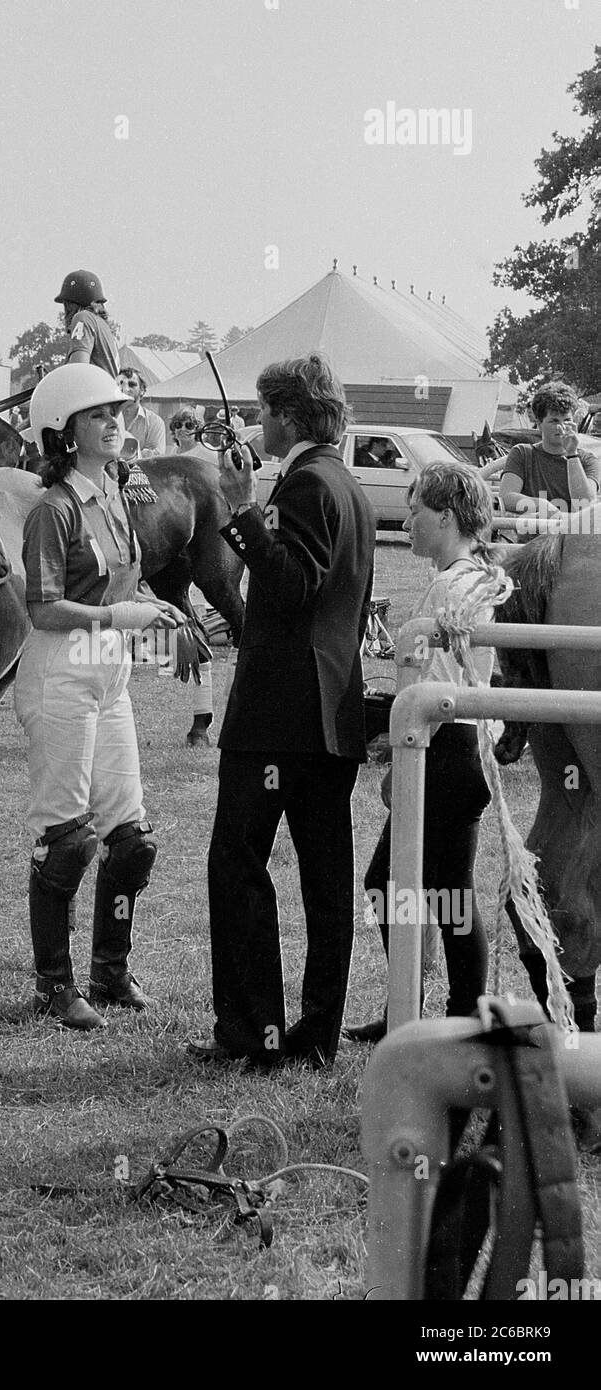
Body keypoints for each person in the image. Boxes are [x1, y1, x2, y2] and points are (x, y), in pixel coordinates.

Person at [188, 354, 376, 1071]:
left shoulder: (303, 486)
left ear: (290, 415)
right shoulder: (345, 484)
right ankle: (313, 1037)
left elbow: (293, 586)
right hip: (329, 713)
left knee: (237, 865)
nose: (256, 422)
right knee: (325, 883)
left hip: (278, 716)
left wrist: (239, 509)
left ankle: (253, 1032)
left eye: (264, 411)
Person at [14, 364, 185, 1030]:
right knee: (66, 839)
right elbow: (44, 607)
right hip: (60, 670)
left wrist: (150, 605)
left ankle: (109, 974)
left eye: (117, 412)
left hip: (107, 669)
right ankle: (53, 986)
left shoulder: (112, 494)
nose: (115, 422)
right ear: (63, 432)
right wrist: (121, 619)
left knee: (131, 838)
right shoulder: (52, 508)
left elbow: (116, 586)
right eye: (98, 416)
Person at [345, 463, 498, 1043]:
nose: (407, 521)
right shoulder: (477, 575)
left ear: (446, 517)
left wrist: (403, 754)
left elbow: (434, 693)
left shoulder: (450, 586)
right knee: (436, 885)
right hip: (467, 746)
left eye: (415, 511)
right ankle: (431, 1008)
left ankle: (438, 1010)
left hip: (447, 746)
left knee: (409, 884)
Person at [499, 380, 600, 520]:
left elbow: (585, 504)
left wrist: (572, 454)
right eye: (554, 421)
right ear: (539, 424)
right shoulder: (522, 453)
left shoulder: (588, 460)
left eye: (567, 420)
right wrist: (543, 506)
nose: (562, 427)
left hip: (572, 537)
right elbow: (507, 497)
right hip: (532, 537)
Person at [55, 269, 121, 379]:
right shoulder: (102, 325)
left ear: (70, 305)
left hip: (96, 395)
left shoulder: (83, 318)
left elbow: (79, 371)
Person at [117, 368, 166, 456]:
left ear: (142, 390)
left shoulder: (154, 422)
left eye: (132, 385)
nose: (125, 389)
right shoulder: (106, 417)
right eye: (121, 384)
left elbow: (154, 460)